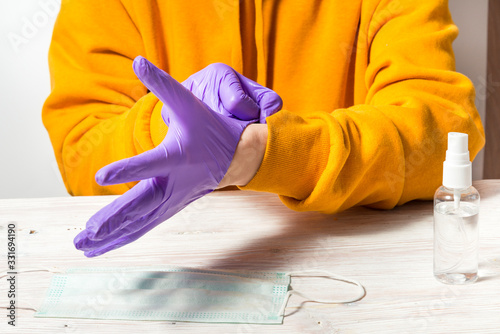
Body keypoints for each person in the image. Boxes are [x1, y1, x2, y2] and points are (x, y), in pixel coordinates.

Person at [42, 0, 485, 257]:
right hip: (167, 265)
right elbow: (81, 149)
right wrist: (168, 122)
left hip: (356, 265)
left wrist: (267, 152)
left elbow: (445, 131)